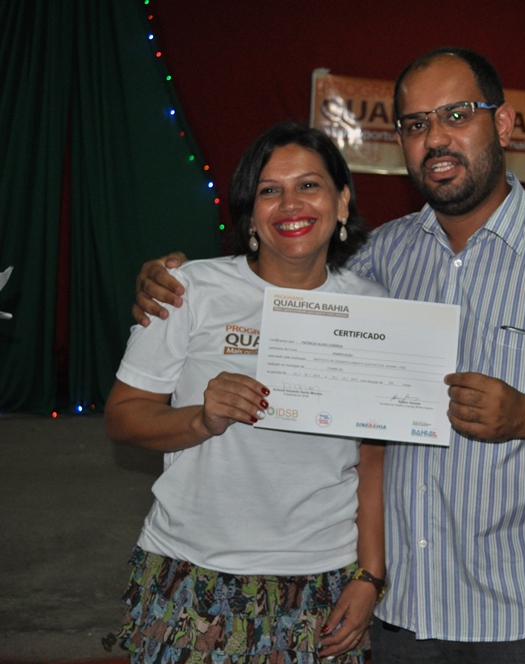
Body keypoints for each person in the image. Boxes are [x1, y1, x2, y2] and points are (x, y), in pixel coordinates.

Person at [133, 47, 525, 662]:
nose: (435, 138)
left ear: (502, 124)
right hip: (401, 609)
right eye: (416, 124)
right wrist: (175, 279)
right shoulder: (380, 259)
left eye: (457, 115)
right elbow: (284, 276)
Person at [107, 122, 387, 664]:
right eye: (269, 190)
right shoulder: (189, 290)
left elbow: (373, 458)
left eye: (309, 185)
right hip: (194, 574)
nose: (290, 204)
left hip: (322, 583)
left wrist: (370, 575)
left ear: (341, 202)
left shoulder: (375, 307)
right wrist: (200, 419)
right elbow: (122, 416)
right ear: (250, 215)